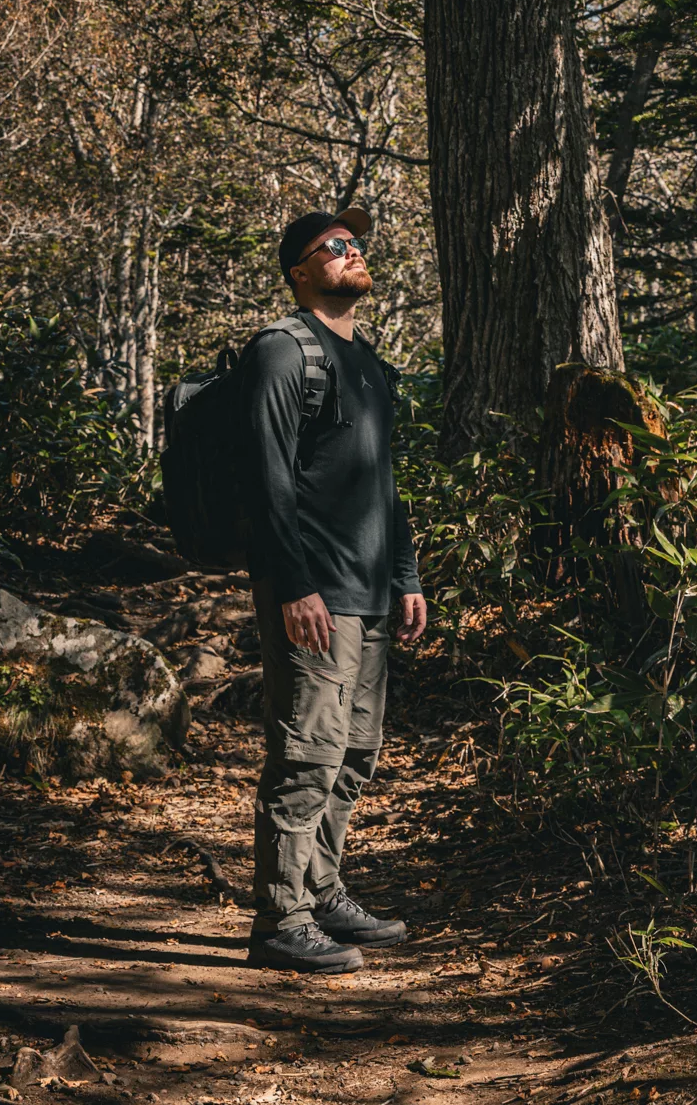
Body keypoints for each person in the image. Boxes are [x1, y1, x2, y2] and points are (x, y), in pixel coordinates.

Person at [239, 206, 427, 974]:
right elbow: (265, 478)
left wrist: (407, 576)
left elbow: (384, 484)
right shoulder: (284, 353)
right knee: (306, 754)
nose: (353, 253)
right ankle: (280, 918)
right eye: (334, 247)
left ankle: (322, 890)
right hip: (313, 590)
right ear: (300, 271)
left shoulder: (370, 363)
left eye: (356, 245)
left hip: (372, 591)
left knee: (355, 752)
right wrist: (293, 584)